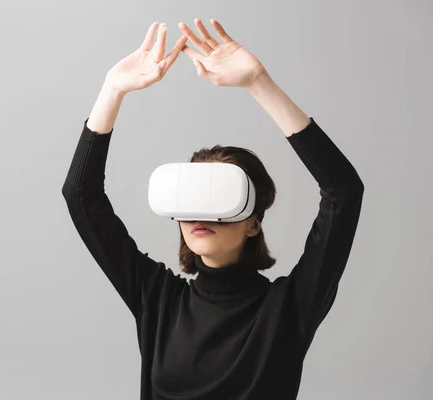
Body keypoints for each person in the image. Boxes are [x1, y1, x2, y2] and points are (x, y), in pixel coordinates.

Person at [61, 18, 364, 400]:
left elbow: (343, 191)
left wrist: (259, 84)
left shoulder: (288, 308)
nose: (199, 215)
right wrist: (112, 91)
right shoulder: (158, 300)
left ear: (253, 222)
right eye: (190, 199)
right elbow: (81, 196)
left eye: (218, 199)